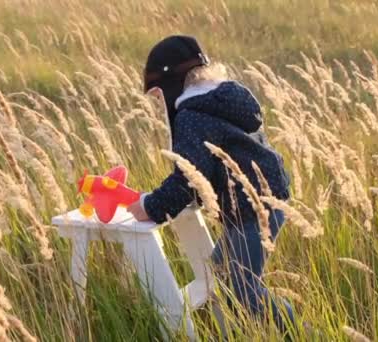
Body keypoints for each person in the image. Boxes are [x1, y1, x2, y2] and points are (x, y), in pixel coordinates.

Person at [127, 35, 296, 337]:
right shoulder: (220, 101)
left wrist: (150, 206)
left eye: (157, 96)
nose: (159, 104)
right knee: (217, 271)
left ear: (172, 83)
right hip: (262, 202)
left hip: (252, 211)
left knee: (244, 290)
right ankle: (225, 331)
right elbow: (204, 168)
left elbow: (189, 179)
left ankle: (299, 330)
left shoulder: (193, 115)